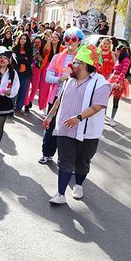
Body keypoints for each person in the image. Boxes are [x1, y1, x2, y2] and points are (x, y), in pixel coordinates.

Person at [43, 45, 111, 204]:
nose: (71, 64)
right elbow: (59, 100)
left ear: (85, 65)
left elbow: (98, 105)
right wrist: (49, 117)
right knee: (64, 161)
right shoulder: (68, 80)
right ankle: (60, 194)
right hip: (65, 129)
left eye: (76, 62)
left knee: (82, 162)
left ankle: (79, 184)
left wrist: (78, 118)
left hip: (87, 132)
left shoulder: (101, 84)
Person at [38, 28, 81, 164]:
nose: (70, 42)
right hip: (56, 97)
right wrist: (59, 79)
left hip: (74, 99)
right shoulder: (57, 57)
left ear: (79, 41)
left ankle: (66, 160)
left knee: (69, 129)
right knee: (50, 126)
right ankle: (47, 154)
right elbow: (47, 76)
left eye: (73, 39)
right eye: (67, 39)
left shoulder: (82, 59)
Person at [107, 44, 131, 126]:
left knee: (116, 101)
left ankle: (112, 119)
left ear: (119, 51)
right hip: (112, 79)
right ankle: (103, 115)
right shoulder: (119, 59)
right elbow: (115, 70)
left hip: (119, 82)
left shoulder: (126, 60)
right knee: (105, 97)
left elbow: (123, 72)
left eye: (116, 51)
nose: (115, 52)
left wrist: (117, 82)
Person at [23, 36, 45, 112]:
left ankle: (30, 100)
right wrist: (34, 56)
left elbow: (45, 60)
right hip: (29, 68)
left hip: (37, 69)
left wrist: (41, 58)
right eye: (36, 42)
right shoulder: (30, 49)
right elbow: (27, 58)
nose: (37, 44)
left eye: (39, 42)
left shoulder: (43, 50)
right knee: (27, 87)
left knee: (35, 88)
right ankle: (26, 103)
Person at [13, 33, 33, 113]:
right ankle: (11, 106)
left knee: (23, 90)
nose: (23, 40)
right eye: (21, 38)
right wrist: (24, 59)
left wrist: (20, 59)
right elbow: (14, 60)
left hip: (26, 73)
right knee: (14, 89)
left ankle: (19, 107)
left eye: (25, 39)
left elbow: (30, 61)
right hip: (16, 72)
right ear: (19, 39)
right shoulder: (15, 48)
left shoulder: (29, 49)